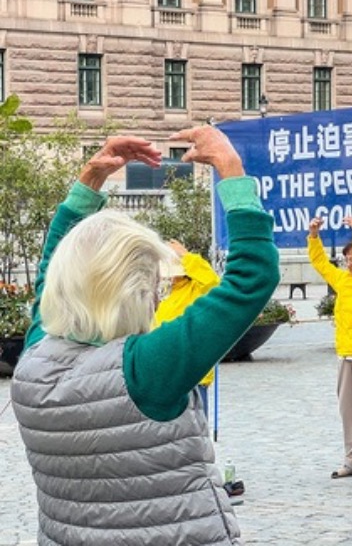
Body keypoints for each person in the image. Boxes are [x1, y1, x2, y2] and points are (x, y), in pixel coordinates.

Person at [11, 126, 279, 545]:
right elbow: (251, 277)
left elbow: (50, 272)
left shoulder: (33, 363)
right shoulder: (145, 370)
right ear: (136, 292)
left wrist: (89, 183)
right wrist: (231, 166)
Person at [308, 216, 352, 479]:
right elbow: (319, 263)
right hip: (345, 355)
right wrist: (314, 235)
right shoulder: (342, 280)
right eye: (349, 257)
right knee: (347, 410)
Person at [154, 239, 220, 417]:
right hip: (163, 376)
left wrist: (186, 256)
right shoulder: (159, 293)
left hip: (193, 377)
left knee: (194, 433)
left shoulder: (196, 289)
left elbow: (214, 284)